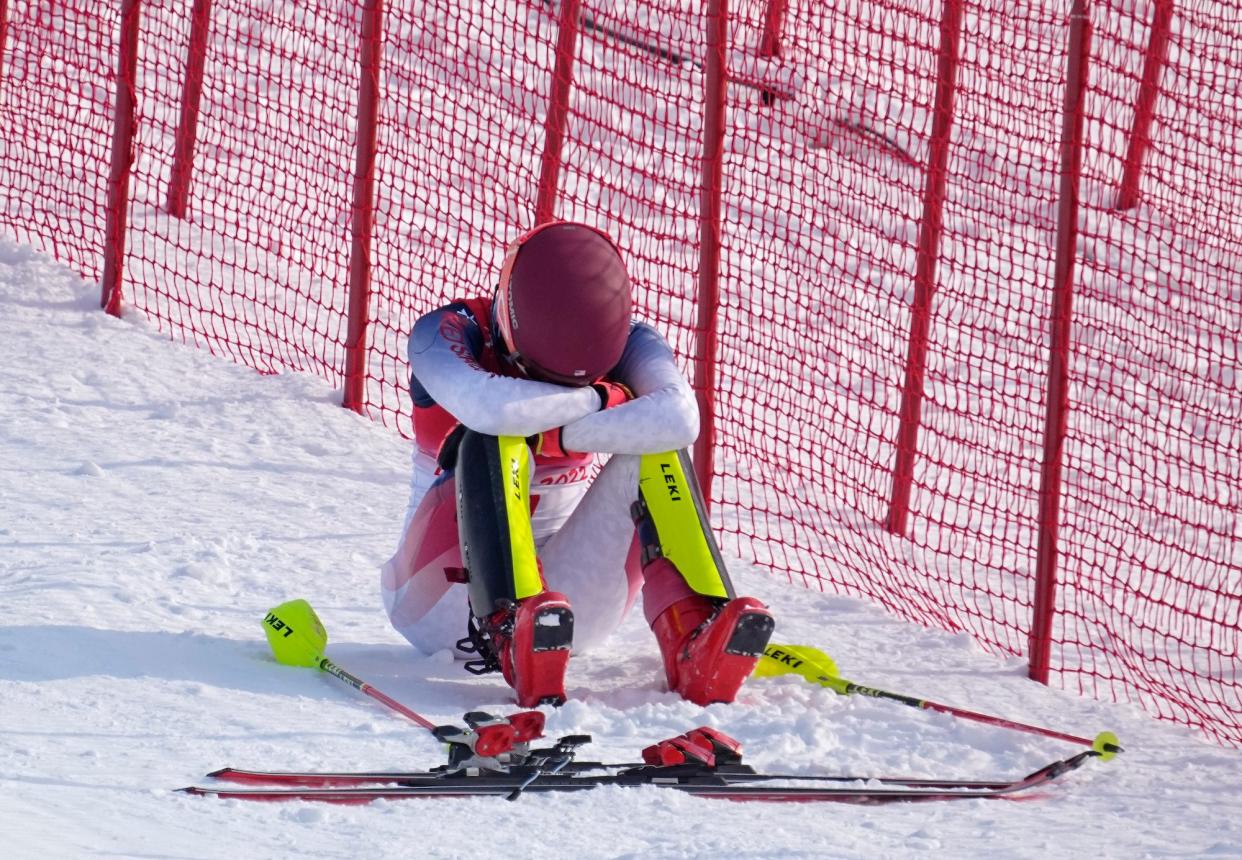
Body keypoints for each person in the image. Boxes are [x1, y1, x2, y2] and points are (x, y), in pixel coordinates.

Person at [381, 221, 774, 707]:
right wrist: (603, 399)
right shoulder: (445, 331)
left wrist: (555, 422)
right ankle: (510, 626)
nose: (557, 391)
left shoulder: (634, 340)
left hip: (565, 618)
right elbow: (495, 409)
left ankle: (693, 631)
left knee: (657, 447)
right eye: (537, 376)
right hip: (441, 604)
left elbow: (679, 417)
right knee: (495, 437)